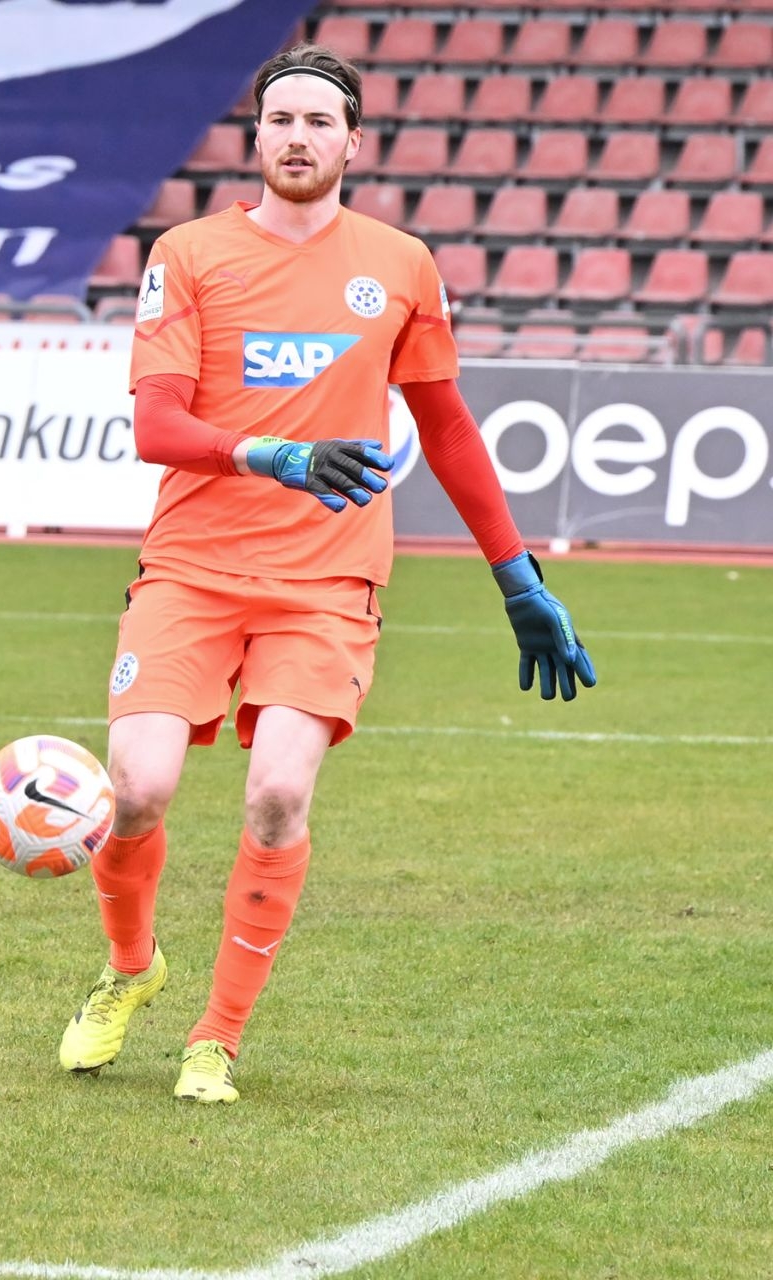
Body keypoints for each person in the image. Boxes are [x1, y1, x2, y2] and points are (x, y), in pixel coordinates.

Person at [56, 43, 597, 1104]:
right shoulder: (189, 252)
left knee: (276, 794)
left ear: (354, 142)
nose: (297, 138)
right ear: (255, 137)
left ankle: (215, 1038)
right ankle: (130, 968)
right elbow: (158, 425)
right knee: (138, 790)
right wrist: (275, 455)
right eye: (280, 120)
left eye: (318, 122)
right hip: (192, 567)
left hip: (326, 581)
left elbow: (447, 428)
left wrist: (518, 577)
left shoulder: (399, 264)